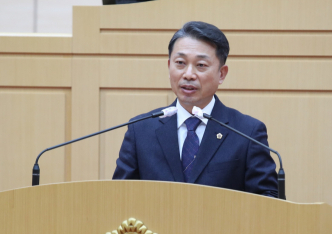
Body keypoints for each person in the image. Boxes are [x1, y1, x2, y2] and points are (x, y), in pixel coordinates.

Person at [112, 21, 278, 198]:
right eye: (180, 63)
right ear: (169, 67)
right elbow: (119, 197)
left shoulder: (247, 132)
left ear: (221, 74)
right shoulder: (140, 130)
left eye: (201, 65)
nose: (189, 74)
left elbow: (268, 202)